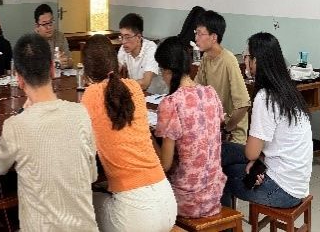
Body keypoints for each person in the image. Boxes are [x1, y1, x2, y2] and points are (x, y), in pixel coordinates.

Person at [0, 33, 98, 231]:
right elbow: (91, 176)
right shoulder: (80, 113)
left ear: (19, 79)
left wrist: (23, 113)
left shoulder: (15, 125)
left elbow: (0, 166)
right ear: (52, 68)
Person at [81, 34, 176, 232]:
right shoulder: (133, 87)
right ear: (116, 63)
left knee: (80, 203)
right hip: (167, 202)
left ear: (86, 73)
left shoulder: (90, 95)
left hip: (136, 217)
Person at [221, 32, 312, 208]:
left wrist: (255, 159)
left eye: (246, 56)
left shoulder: (265, 97)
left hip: (282, 190)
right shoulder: (288, 89)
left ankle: (224, 221)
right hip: (297, 183)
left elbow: (251, 153)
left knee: (219, 171)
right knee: (224, 151)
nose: (245, 61)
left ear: (256, 61)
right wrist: (258, 160)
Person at [154, 36, 226, 219]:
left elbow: (165, 165)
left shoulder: (171, 103)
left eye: (161, 70)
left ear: (168, 71)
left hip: (187, 200)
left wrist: (148, 138)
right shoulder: (210, 93)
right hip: (214, 195)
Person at [194, 10, 251, 144]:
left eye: (200, 34)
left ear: (214, 37)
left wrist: (226, 128)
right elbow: (196, 89)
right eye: (195, 33)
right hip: (214, 129)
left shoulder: (228, 60)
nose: (196, 38)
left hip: (232, 135)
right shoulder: (206, 57)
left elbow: (243, 104)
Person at [116, 13, 167, 94]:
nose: (123, 41)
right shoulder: (123, 48)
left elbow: (145, 83)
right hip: (136, 92)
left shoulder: (151, 49)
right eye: (121, 37)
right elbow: (114, 71)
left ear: (139, 37)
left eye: (127, 37)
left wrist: (119, 85)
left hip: (154, 96)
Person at [33, 3, 71, 67]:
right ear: (37, 26)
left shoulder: (60, 36)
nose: (49, 27)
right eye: (44, 24)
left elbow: (70, 61)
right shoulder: (31, 42)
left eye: (51, 22)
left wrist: (66, 61)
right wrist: (53, 64)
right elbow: (33, 67)